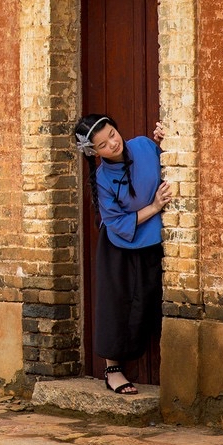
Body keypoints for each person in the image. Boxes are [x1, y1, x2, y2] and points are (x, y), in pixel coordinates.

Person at [73, 113, 171, 395]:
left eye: (112, 134)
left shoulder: (143, 145)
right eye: (103, 144)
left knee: (150, 300)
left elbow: (170, 163)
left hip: (153, 240)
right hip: (118, 245)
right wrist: (154, 207)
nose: (113, 144)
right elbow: (115, 222)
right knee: (115, 305)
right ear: (93, 152)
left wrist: (168, 141)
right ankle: (112, 369)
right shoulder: (103, 178)